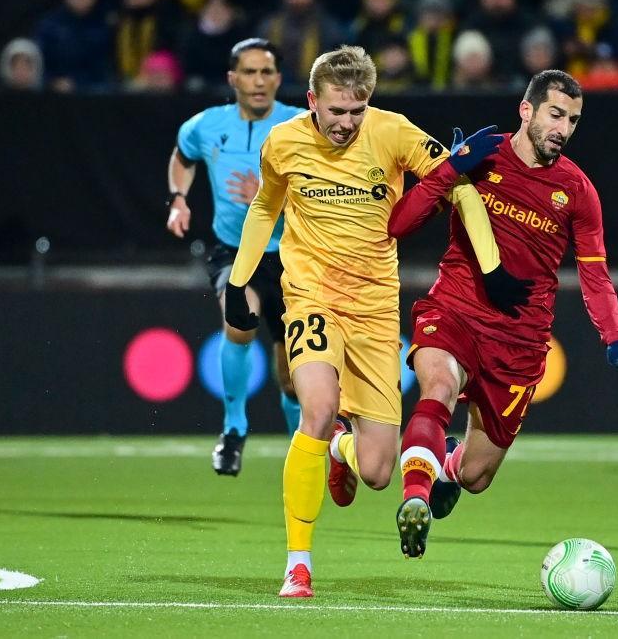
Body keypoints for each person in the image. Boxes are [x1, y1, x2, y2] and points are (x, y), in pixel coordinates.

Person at [223, 45, 529, 597]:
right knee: (313, 407)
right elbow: (266, 206)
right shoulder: (285, 141)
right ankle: (298, 565)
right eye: (335, 111)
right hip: (310, 294)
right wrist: (239, 281)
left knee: (378, 470)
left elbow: (458, 183)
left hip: (373, 309)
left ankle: (341, 447)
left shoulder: (393, 133)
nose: (345, 123)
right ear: (312, 100)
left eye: (356, 112)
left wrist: (493, 265)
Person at [388, 69, 618, 559]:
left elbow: (595, 272)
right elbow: (398, 223)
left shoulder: (577, 190)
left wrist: (615, 337)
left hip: (521, 340)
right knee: (438, 388)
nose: (563, 128)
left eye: (572, 120)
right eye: (555, 114)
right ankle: (414, 499)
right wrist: (450, 170)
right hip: (456, 308)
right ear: (526, 111)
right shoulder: (479, 158)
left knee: (476, 477)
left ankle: (445, 470)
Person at [166, 38, 302, 476]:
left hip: (294, 255)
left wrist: (268, 197)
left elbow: (325, 192)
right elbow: (183, 156)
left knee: (292, 381)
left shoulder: (302, 126)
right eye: (249, 72)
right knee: (238, 320)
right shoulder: (206, 125)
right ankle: (234, 428)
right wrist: (178, 199)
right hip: (234, 249)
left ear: (278, 79)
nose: (258, 81)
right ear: (232, 78)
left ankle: (303, 456)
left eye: (266, 72)